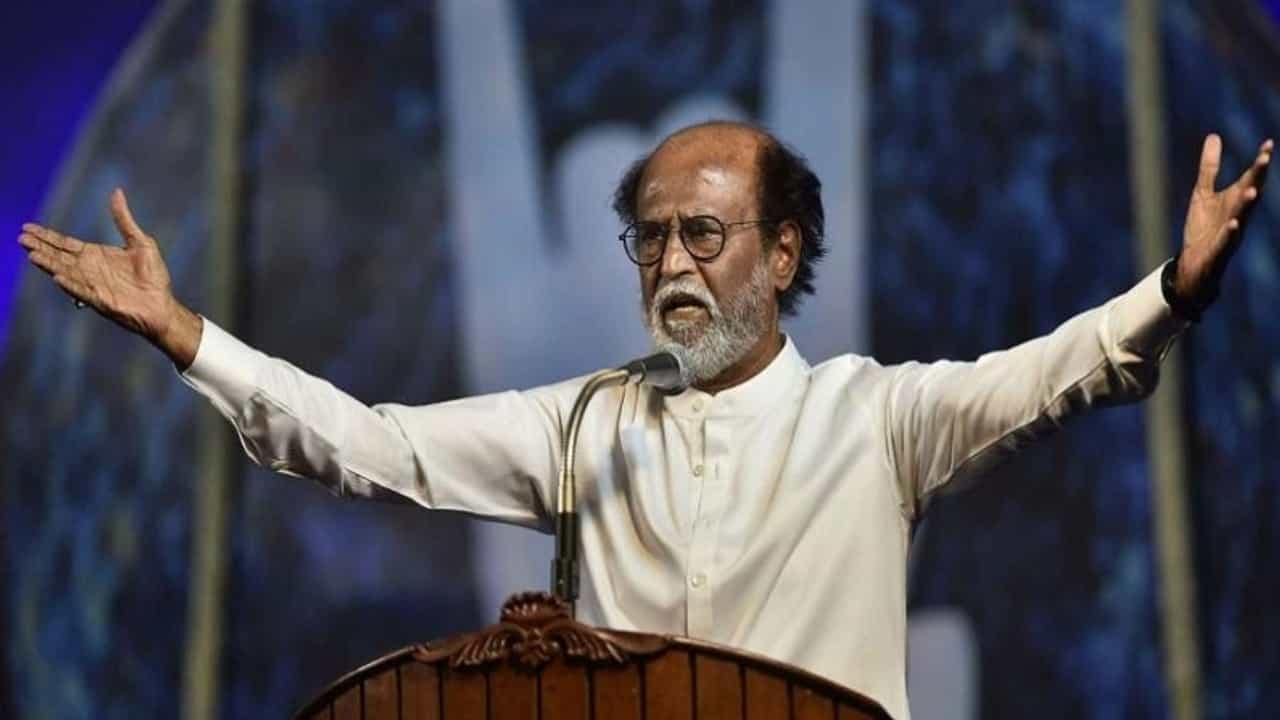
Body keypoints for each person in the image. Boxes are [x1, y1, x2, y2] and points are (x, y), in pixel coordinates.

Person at [17, 122, 1272, 720]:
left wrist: (1170, 291)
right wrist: (187, 334)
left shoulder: (876, 418)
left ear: (781, 254)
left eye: (703, 234)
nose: (671, 262)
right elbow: (369, 445)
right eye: (651, 236)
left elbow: (1050, 375)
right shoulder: (580, 425)